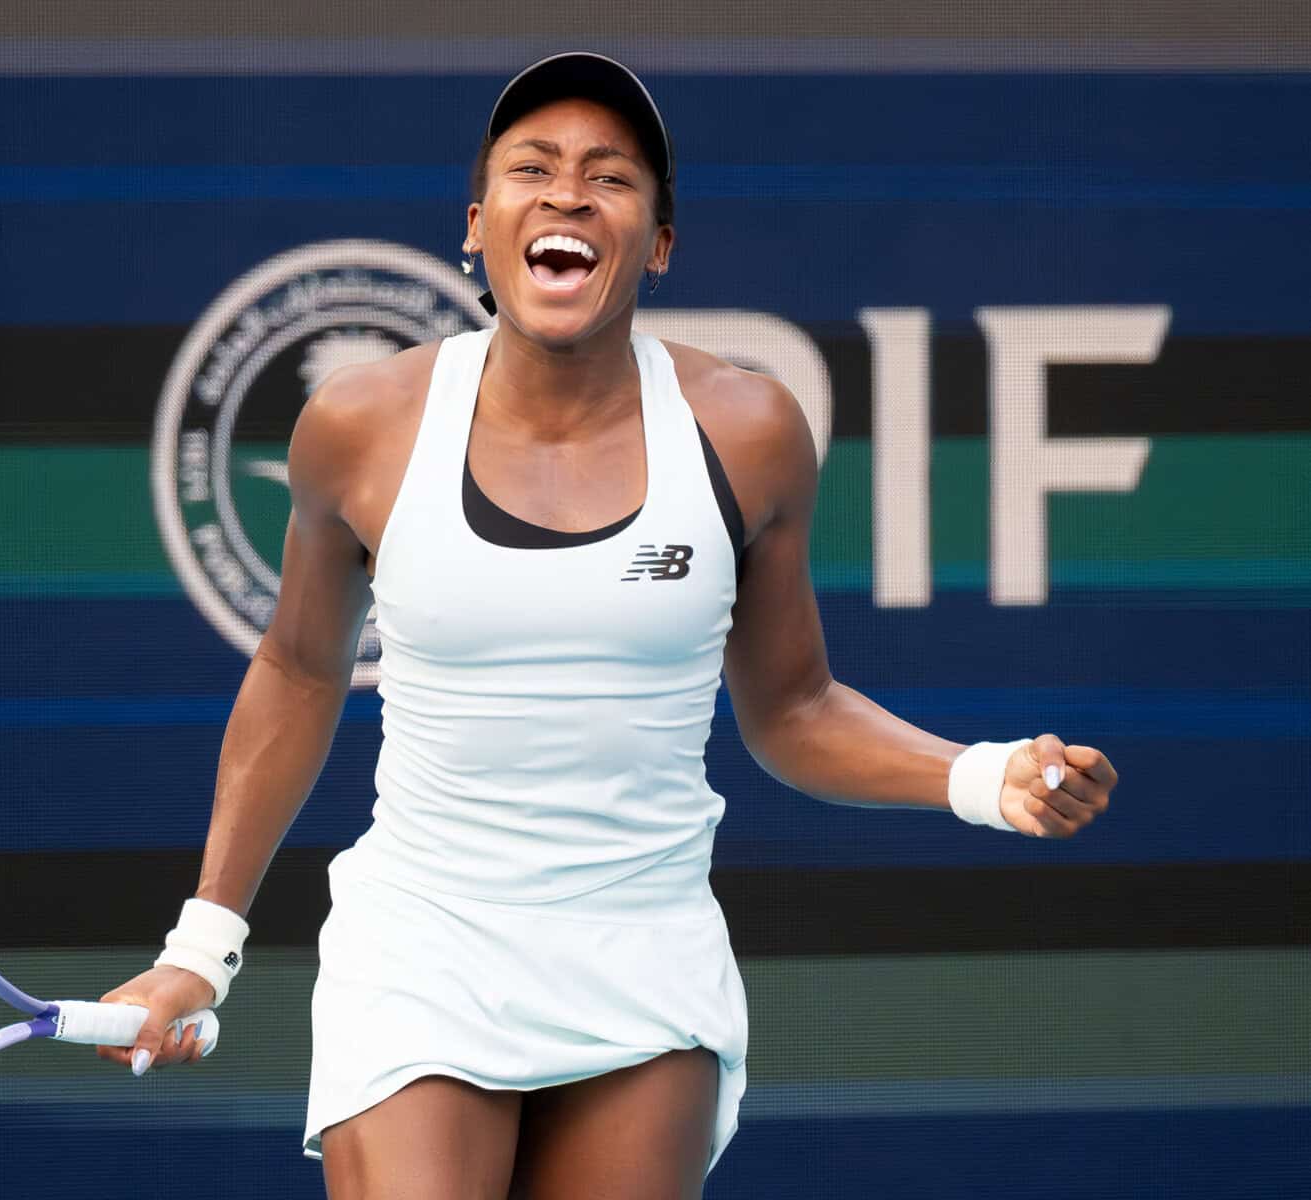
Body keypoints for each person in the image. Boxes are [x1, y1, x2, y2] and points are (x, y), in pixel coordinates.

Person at [96, 52, 1119, 1198]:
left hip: (644, 956)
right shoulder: (360, 426)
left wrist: (982, 778)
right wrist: (199, 952)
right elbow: (294, 672)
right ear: (478, 230)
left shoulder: (747, 429)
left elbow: (791, 707)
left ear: (661, 244)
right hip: (423, 945)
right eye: (532, 168)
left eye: (611, 177)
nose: (570, 193)